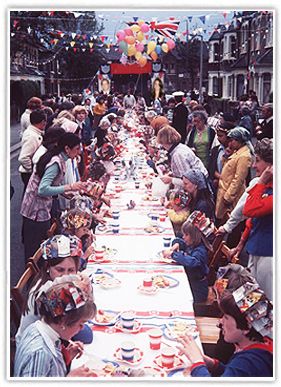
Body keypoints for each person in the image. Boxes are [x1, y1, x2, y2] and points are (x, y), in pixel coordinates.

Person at [176, 264, 273, 377]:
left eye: (226, 317)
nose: (220, 322)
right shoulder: (257, 348)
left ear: (246, 326)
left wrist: (197, 363)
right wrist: (211, 364)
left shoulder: (248, 362)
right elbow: (232, 373)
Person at [21, 133, 86, 262]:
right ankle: (33, 281)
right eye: (77, 149)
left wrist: (63, 192)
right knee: (35, 251)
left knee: (38, 247)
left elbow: (52, 183)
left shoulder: (58, 158)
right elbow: (43, 189)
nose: (79, 152)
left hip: (39, 209)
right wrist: (70, 187)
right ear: (67, 149)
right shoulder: (55, 162)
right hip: (35, 212)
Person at [14, 276, 97, 377]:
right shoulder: (40, 353)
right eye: (80, 324)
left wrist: (65, 357)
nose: (82, 328)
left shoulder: (38, 328)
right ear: (63, 321)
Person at [16, 234, 92, 344]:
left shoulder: (53, 282)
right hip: (35, 347)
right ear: (48, 268)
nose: (65, 276)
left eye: (71, 270)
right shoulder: (46, 292)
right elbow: (84, 334)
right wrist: (87, 292)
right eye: (60, 270)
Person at [163, 220, 209, 302]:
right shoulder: (192, 244)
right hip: (191, 282)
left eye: (186, 235)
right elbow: (182, 241)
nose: (184, 237)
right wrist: (177, 244)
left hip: (197, 289)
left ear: (195, 236)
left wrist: (173, 255)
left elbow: (192, 262)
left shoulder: (200, 251)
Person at [215, 127, 252, 224]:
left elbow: (238, 179)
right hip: (224, 191)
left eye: (233, 140)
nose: (230, 143)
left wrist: (228, 196)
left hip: (231, 196)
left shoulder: (244, 156)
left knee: (232, 222)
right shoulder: (237, 152)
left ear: (239, 140)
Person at [156, 125, 208, 190]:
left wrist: (171, 180)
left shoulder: (178, 154)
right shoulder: (180, 147)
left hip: (200, 186)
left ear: (165, 142)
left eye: (162, 143)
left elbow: (187, 182)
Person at [18, 110, 47, 192]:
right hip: (28, 174)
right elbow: (23, 158)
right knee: (30, 199)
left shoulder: (35, 133)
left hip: (30, 172)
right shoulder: (31, 136)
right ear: (43, 122)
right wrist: (33, 171)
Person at [208, 122, 234, 196]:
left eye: (221, 136)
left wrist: (222, 179)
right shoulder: (215, 150)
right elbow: (211, 168)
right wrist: (217, 176)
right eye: (217, 136)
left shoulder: (237, 153)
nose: (218, 138)